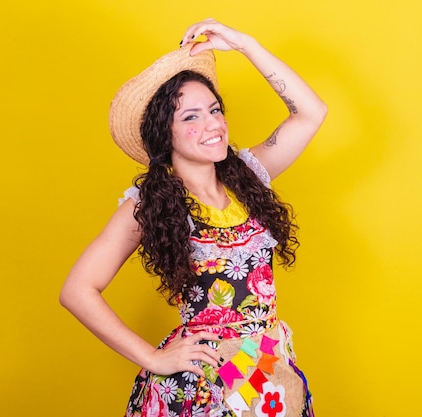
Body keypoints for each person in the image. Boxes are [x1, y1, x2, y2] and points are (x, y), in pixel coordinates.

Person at [60, 18, 327, 417]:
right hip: (205, 383)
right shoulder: (148, 205)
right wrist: (153, 358)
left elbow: (311, 112)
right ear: (163, 135)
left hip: (269, 365)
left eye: (215, 110)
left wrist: (245, 45)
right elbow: (77, 290)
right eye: (191, 117)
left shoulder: (249, 176)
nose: (214, 125)